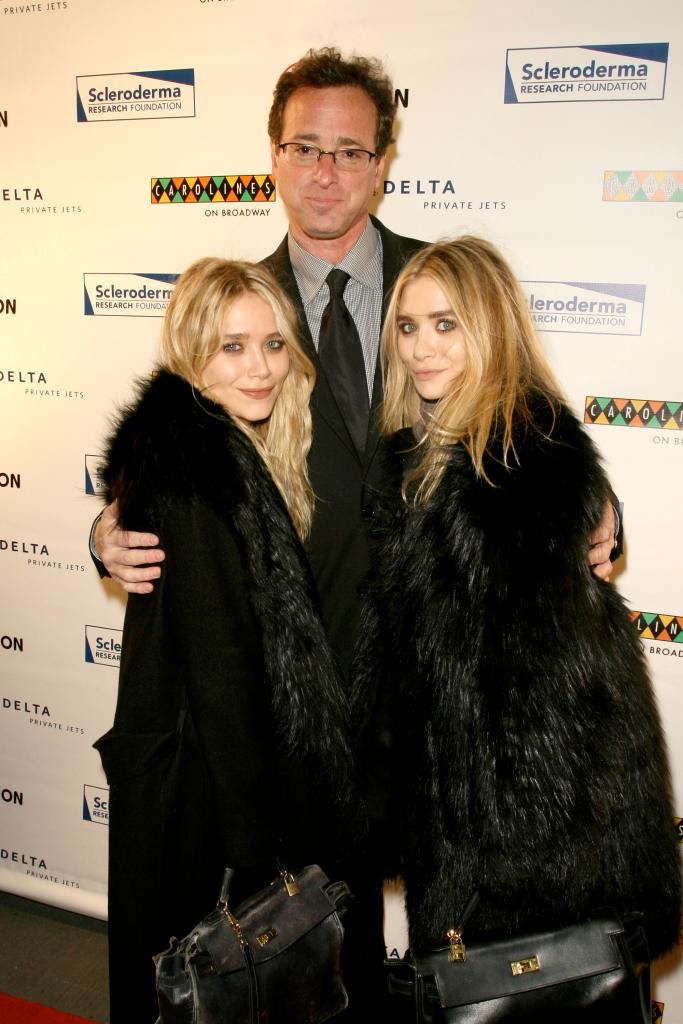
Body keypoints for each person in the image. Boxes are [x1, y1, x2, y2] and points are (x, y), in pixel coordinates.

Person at [353, 237, 681, 996]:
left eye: (445, 324)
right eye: (407, 326)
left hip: (522, 845)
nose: (421, 348)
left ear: (491, 327)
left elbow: (544, 698)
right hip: (460, 823)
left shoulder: (520, 459)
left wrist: (488, 861)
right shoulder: (417, 455)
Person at [94, 258, 352, 1023]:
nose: (261, 367)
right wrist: (253, 854)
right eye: (232, 347)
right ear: (189, 351)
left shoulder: (205, 448)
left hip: (193, 786)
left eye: (273, 345)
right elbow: (219, 672)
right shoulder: (196, 471)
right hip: (199, 800)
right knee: (204, 987)